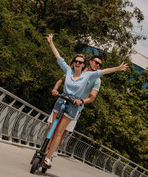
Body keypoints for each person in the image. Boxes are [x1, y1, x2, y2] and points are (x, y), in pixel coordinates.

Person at [44, 33, 128, 167]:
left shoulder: (89, 76)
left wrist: (118, 68)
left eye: (80, 62)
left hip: (75, 105)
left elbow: (103, 73)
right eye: (76, 62)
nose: (78, 63)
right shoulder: (68, 70)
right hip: (62, 100)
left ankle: (49, 157)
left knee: (60, 132)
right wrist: (51, 42)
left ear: (84, 64)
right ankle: (44, 150)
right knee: (51, 128)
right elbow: (59, 57)